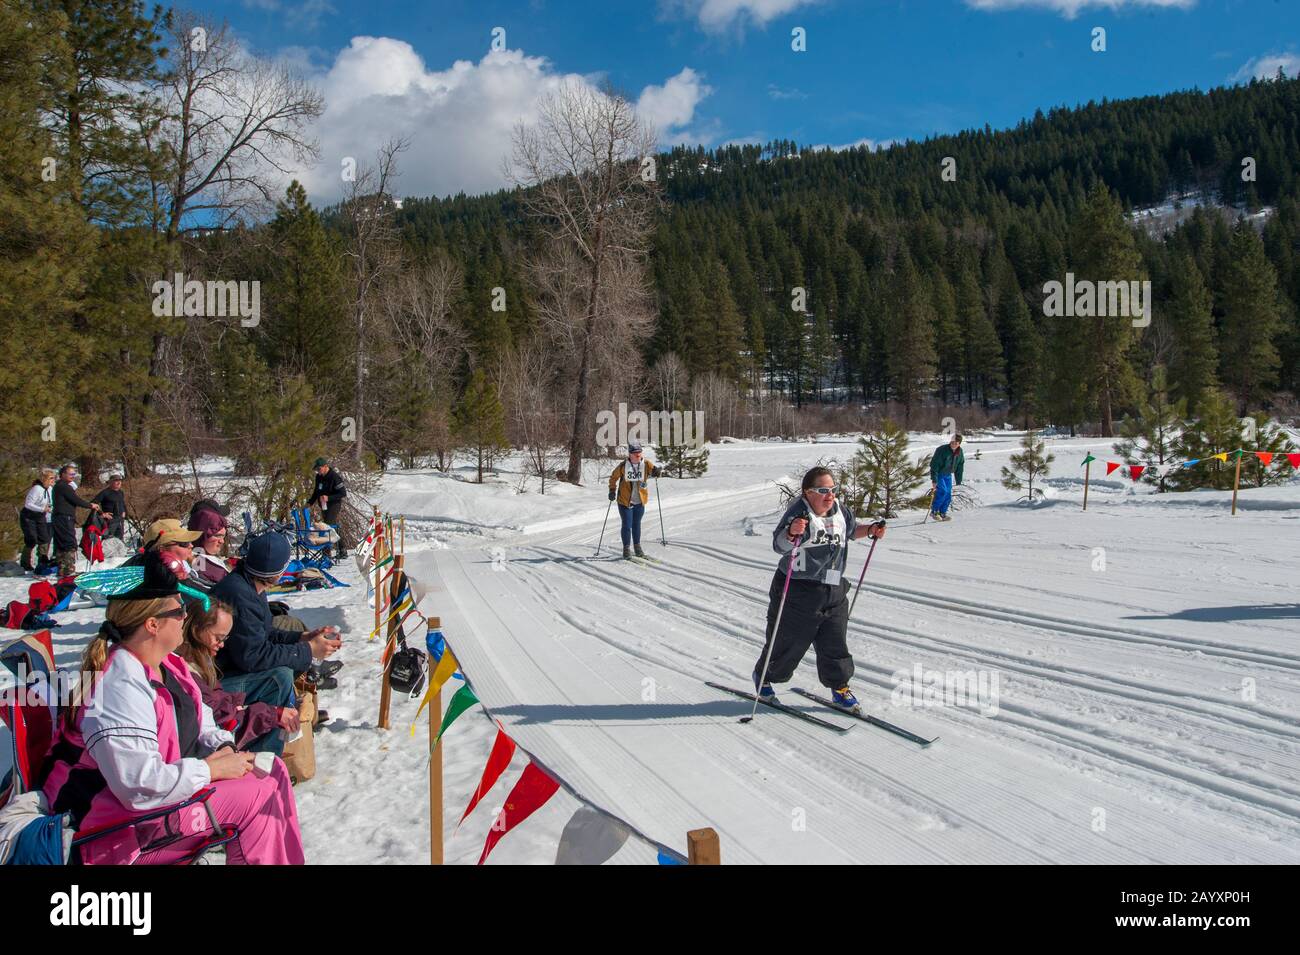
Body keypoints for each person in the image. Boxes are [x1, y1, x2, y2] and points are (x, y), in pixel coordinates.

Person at [39, 551, 305, 864]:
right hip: (114, 835)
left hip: (154, 808)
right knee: (259, 796)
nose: (186, 617)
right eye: (179, 610)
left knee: (270, 769)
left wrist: (222, 747)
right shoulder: (119, 685)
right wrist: (209, 770)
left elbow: (202, 717)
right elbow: (138, 786)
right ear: (152, 624)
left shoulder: (171, 664)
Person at [753, 466, 886, 711]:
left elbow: (849, 532)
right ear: (808, 492)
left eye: (833, 489)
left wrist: (869, 530)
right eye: (823, 490)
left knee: (835, 641)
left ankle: (840, 688)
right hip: (798, 590)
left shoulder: (840, 511)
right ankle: (765, 679)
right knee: (789, 643)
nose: (830, 495)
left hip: (833, 588)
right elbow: (779, 544)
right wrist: (792, 532)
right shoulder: (800, 513)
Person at [210, 532, 340, 714]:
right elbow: (252, 656)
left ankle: (294, 711)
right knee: (279, 678)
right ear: (278, 572)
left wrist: (302, 638)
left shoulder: (251, 584)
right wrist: (308, 650)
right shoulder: (241, 596)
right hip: (218, 679)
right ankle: (276, 732)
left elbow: (265, 632)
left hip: (231, 666)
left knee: (288, 652)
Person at [179, 599, 300, 755]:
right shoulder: (188, 672)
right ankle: (265, 763)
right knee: (278, 680)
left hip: (219, 716)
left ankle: (267, 759)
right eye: (218, 637)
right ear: (196, 630)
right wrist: (273, 714)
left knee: (280, 679)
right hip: (209, 743)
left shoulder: (201, 658)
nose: (221, 644)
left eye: (225, 639)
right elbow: (221, 717)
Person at [607, 442, 659, 560]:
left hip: (640, 501)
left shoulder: (646, 464)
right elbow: (613, 478)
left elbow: (655, 472)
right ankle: (626, 549)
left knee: (637, 524)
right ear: (630, 454)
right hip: (625, 501)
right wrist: (612, 490)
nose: (637, 455)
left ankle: (637, 547)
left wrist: (657, 472)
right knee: (627, 525)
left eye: (639, 452)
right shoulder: (623, 466)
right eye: (635, 453)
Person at [51, 464, 100, 577]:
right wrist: (90, 505)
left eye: (74, 474)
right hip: (64, 518)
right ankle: (68, 568)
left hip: (60, 517)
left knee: (61, 543)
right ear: (63, 474)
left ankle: (62, 569)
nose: (73, 476)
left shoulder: (60, 486)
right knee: (69, 543)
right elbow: (76, 500)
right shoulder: (63, 486)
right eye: (70, 474)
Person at [306, 458, 347, 558]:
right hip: (323, 505)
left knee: (326, 526)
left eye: (319, 469)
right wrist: (310, 503)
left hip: (334, 504)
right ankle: (343, 549)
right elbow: (316, 491)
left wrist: (329, 498)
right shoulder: (319, 477)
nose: (318, 471)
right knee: (332, 525)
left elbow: (342, 493)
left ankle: (326, 553)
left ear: (325, 466)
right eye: (316, 469)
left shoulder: (334, 477)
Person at [19, 468, 56, 572]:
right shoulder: (37, 489)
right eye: (51, 478)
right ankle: (25, 563)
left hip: (40, 516)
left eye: (54, 478)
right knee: (31, 539)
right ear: (44, 479)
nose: (53, 480)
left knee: (44, 538)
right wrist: (42, 509)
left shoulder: (50, 489)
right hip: (29, 516)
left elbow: (51, 502)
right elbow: (28, 504)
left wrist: (51, 509)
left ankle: (42, 561)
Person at [187, 502, 231, 585]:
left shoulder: (202, 559)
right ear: (202, 536)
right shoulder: (200, 564)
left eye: (223, 536)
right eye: (217, 536)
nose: (222, 541)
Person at [929, 434, 965, 522]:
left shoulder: (959, 452)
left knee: (948, 495)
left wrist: (958, 480)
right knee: (943, 491)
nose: (953, 444)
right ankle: (934, 511)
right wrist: (934, 479)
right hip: (939, 474)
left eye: (955, 443)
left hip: (948, 475)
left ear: (959, 443)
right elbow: (934, 465)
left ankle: (942, 513)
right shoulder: (942, 450)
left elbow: (960, 466)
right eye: (952, 442)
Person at [90, 475, 126, 540]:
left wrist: (124, 511)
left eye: (120, 481)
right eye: (116, 481)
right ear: (110, 482)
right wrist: (102, 513)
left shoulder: (121, 492)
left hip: (120, 520)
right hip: (110, 520)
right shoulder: (105, 492)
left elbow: (122, 503)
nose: (119, 483)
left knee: (120, 540)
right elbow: (93, 504)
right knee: (108, 540)